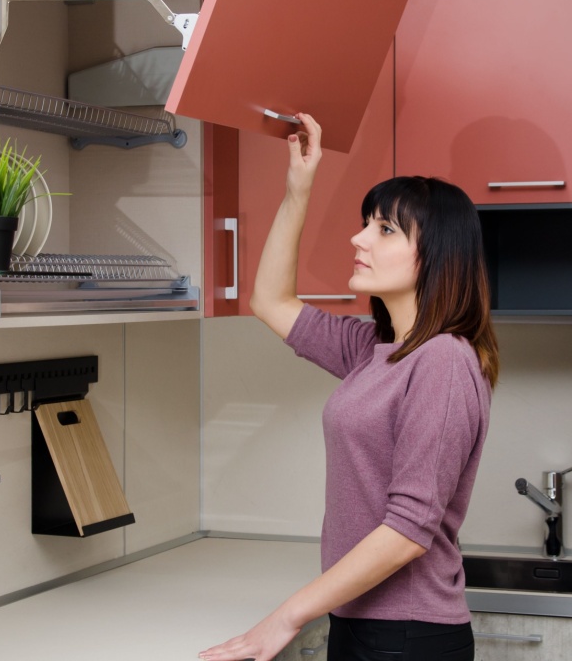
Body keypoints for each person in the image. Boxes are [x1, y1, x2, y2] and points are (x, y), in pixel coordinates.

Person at [199, 114, 499, 661]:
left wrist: (286, 617)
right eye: (367, 223)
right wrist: (299, 186)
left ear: (435, 255)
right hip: (362, 622)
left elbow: (409, 532)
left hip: (407, 636)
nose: (358, 238)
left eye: (385, 230)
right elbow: (269, 301)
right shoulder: (375, 351)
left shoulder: (443, 362)